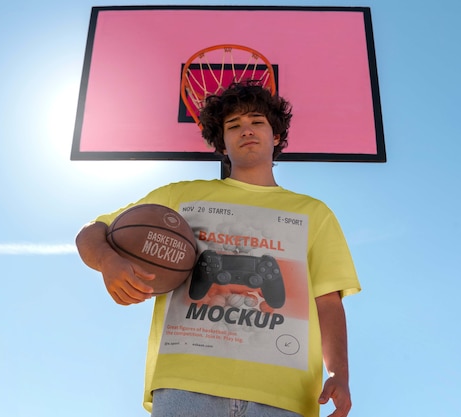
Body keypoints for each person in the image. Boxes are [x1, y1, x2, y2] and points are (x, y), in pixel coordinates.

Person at [75, 82, 361, 417]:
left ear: (277, 136)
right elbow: (92, 232)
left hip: (285, 393)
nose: (246, 131)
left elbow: (327, 301)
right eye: (233, 126)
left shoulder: (315, 213)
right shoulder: (181, 197)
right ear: (221, 143)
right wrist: (108, 261)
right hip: (187, 383)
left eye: (257, 122)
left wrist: (338, 374)